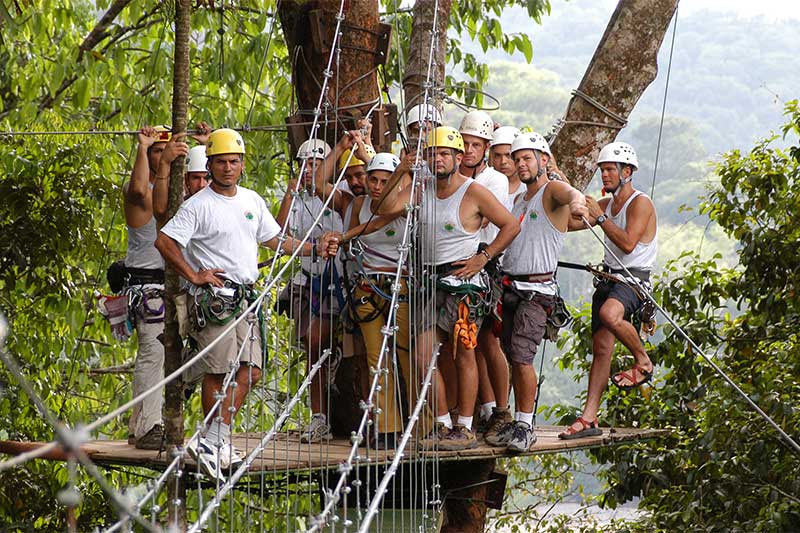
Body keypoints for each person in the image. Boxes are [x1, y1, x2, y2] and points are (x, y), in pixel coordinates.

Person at [155, 128, 339, 479]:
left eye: (234, 162)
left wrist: (314, 248)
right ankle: (213, 440)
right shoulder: (198, 205)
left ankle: (215, 437)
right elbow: (164, 241)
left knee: (251, 372)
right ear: (210, 165)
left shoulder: (251, 200)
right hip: (216, 301)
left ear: (242, 165)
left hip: (244, 298)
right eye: (221, 162)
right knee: (219, 371)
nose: (228, 168)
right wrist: (194, 275)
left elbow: (276, 240)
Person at [416, 126, 520, 451]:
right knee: (423, 355)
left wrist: (483, 257)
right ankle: (443, 423)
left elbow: (510, 225)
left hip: (463, 283)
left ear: (458, 158)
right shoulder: (422, 189)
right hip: (431, 280)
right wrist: (403, 172)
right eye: (432, 154)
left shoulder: (475, 191)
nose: (438, 159)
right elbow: (386, 207)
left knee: (464, 353)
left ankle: (464, 426)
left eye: (444, 153)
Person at [482, 132, 587, 451]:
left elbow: (569, 193)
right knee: (511, 354)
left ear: (543, 160)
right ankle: (516, 420)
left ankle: (525, 425)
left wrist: (577, 200)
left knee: (522, 356)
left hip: (536, 291)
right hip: (512, 286)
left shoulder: (550, 191)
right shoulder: (519, 201)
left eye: (527, 158)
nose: (520, 164)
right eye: (517, 159)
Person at [559, 142, 657, 440]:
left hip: (633, 280)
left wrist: (600, 218)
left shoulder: (640, 203)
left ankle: (643, 360)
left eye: (610, 170)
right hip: (609, 279)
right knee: (601, 351)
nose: (605, 175)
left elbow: (628, 243)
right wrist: (565, 194)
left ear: (627, 172)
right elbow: (569, 224)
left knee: (610, 314)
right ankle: (589, 418)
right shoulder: (605, 204)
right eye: (602, 170)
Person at [275, 138, 345, 444]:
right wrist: (290, 194)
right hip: (310, 282)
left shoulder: (340, 193)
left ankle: (335, 365)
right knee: (310, 345)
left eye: (316, 165)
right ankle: (319, 417)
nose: (308, 171)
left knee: (317, 340)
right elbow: (278, 235)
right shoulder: (299, 199)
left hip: (339, 283)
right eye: (304, 165)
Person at [346, 152, 414, 450]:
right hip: (367, 286)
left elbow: (379, 220)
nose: (376, 186)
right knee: (377, 358)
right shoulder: (358, 205)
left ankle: (420, 425)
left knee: (407, 356)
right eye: (372, 179)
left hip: (400, 285)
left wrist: (344, 236)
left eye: (384, 181)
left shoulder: (405, 202)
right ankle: (386, 428)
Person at [123, 125, 185, 450]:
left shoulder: (176, 195)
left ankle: (139, 425)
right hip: (147, 287)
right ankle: (148, 426)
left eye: (166, 151)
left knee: (164, 356)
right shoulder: (142, 194)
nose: (163, 157)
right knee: (153, 353)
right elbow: (136, 190)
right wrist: (142, 146)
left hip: (169, 286)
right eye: (157, 152)